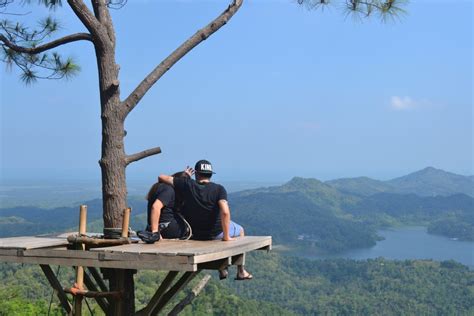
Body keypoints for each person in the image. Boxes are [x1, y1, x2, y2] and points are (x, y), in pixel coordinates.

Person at [159, 159, 252, 280]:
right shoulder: (219, 189)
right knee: (240, 231)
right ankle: (241, 271)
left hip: (195, 234)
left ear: (196, 174)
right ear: (210, 174)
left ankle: (222, 269)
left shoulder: (187, 184)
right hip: (216, 233)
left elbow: (161, 177)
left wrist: (186, 176)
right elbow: (224, 211)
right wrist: (226, 237)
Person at [138, 171, 190, 243]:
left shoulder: (161, 186)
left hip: (159, 227)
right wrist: (155, 233)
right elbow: (155, 207)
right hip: (167, 229)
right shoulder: (168, 190)